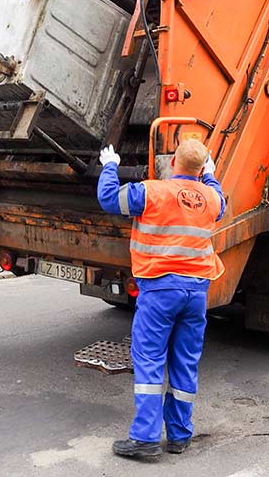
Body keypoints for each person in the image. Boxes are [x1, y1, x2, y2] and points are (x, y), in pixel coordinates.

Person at [96, 138, 226, 458]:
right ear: (202, 169)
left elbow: (110, 199)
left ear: (173, 163)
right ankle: (180, 435)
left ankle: (145, 439)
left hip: (159, 290)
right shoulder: (212, 197)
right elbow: (219, 197)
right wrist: (209, 175)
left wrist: (109, 166)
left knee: (150, 362)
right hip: (196, 293)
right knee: (185, 363)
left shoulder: (152, 191)